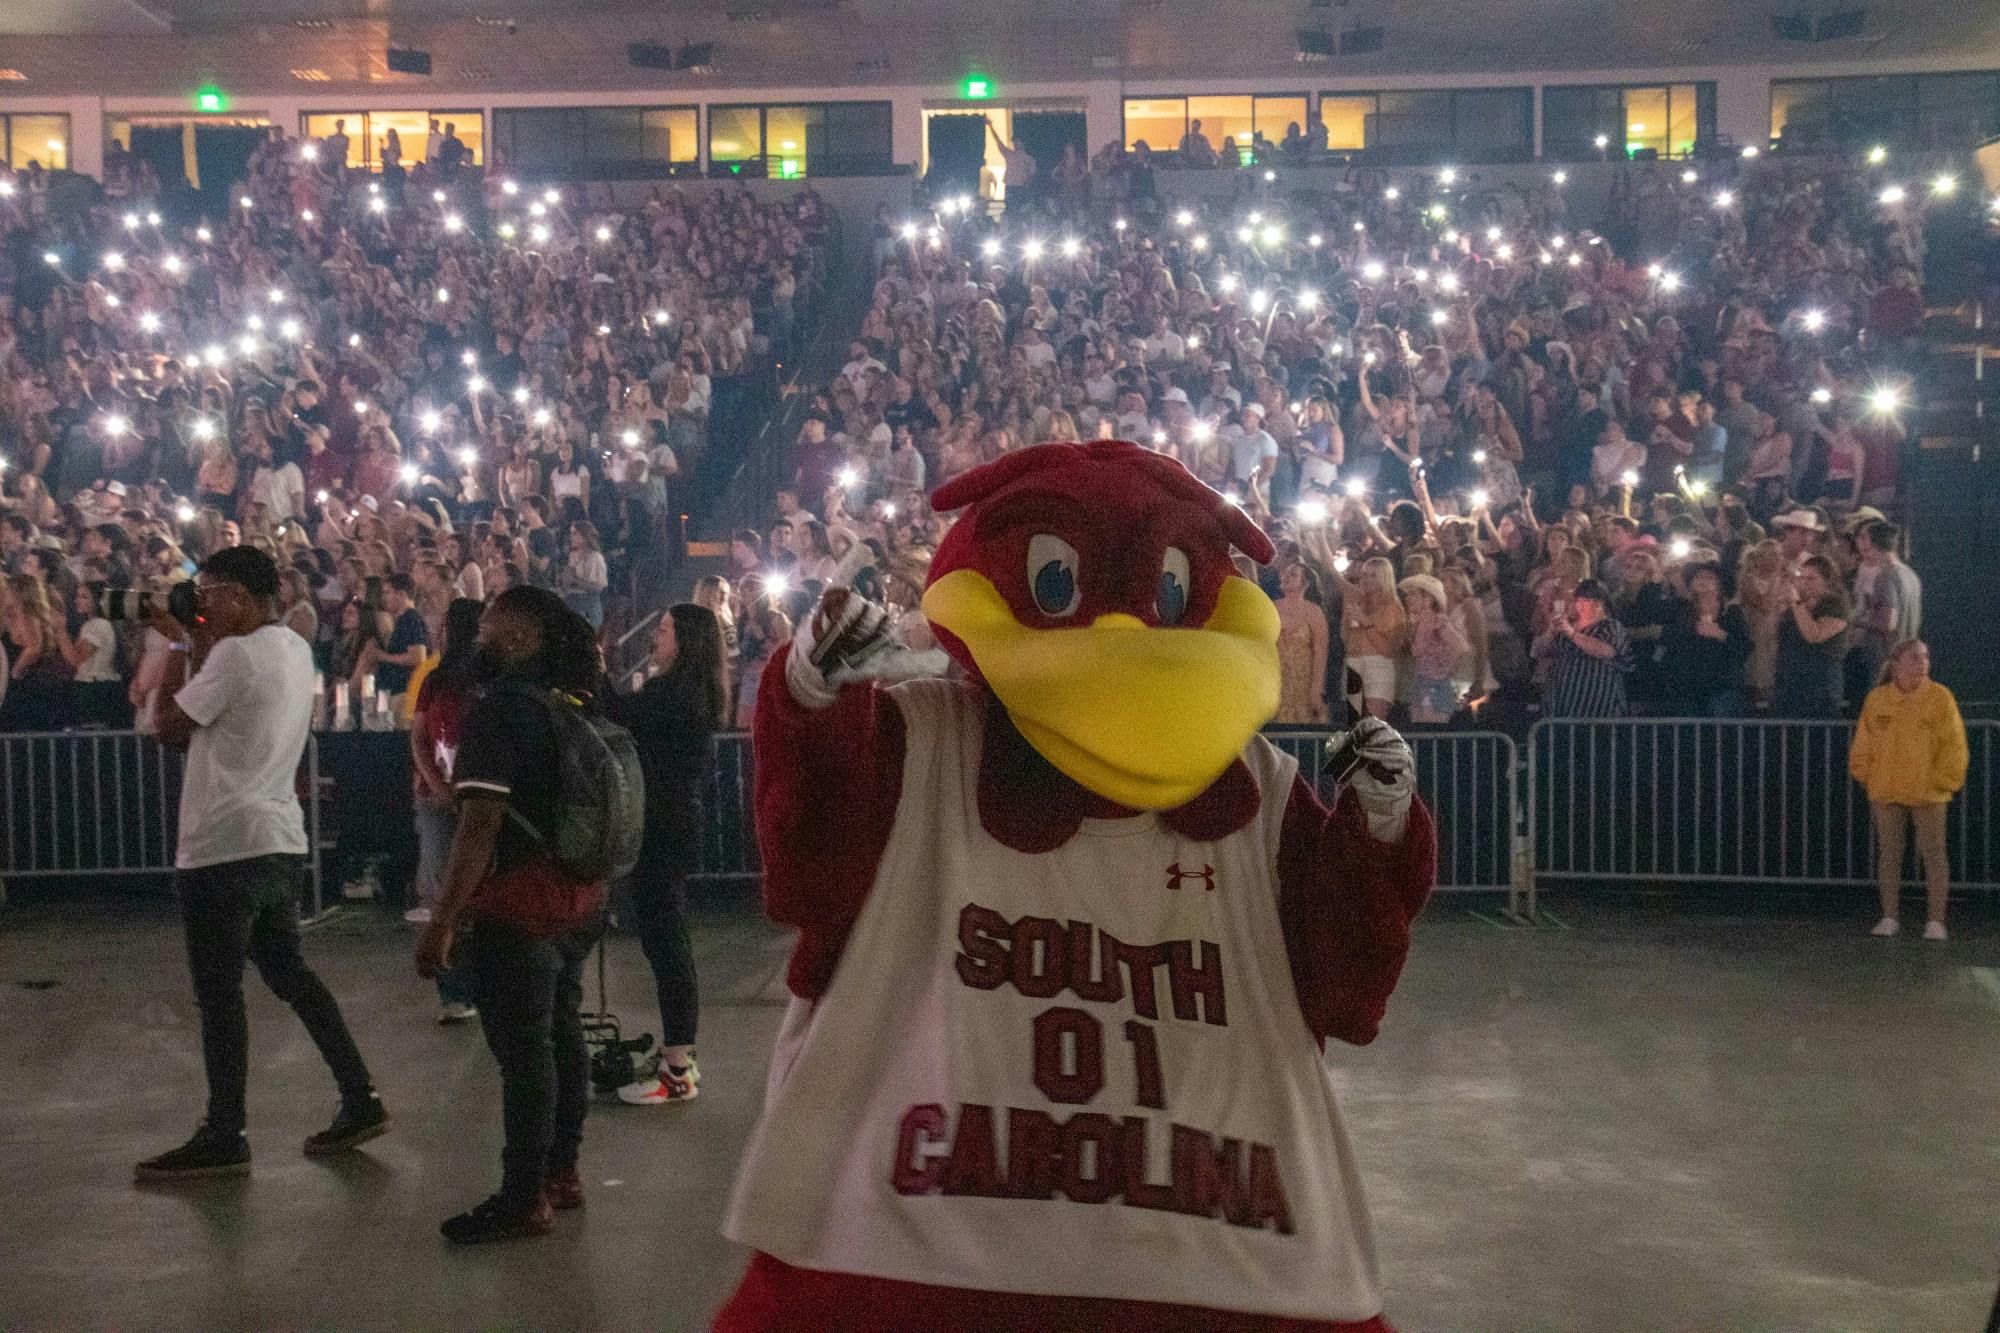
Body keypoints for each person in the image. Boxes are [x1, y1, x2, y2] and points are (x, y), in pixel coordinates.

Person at [135, 546, 385, 1180]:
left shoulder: (235, 653)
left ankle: (226, 1130)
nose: (201, 602)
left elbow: (166, 726)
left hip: (223, 845)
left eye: (210, 590)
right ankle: (359, 1096)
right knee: (290, 975)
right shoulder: (293, 647)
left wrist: (171, 647)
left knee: (218, 995)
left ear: (242, 598)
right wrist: (192, 641)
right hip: (277, 840)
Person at [416, 587, 610, 1244]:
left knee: (524, 1053)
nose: (480, 636)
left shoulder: (500, 711)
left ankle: (522, 1195)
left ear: (523, 637)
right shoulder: (571, 703)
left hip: (519, 905)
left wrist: (442, 919)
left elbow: (479, 826)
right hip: (577, 899)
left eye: (492, 626)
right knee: (561, 1032)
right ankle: (562, 1172)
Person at [612, 603, 728, 1105]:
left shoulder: (674, 694)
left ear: (686, 640)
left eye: (663, 630)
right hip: (673, 821)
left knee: (666, 938)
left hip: (664, 824)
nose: (655, 637)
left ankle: (677, 1066)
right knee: (664, 935)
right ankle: (677, 1057)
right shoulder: (693, 692)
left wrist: (591, 672)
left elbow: (620, 713)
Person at [1850, 640, 1967, 941]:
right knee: (1889, 855)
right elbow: (1863, 741)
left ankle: (1936, 920)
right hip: (1886, 790)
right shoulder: (1877, 699)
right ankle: (1889, 916)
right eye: (1915, 657)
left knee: (1934, 855)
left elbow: (1954, 745)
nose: (1922, 662)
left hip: (1928, 792)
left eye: (1926, 657)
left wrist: (1943, 781)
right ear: (1895, 662)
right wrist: (1866, 774)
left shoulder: (1941, 698)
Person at [408, 597, 485, 1023]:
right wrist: (437, 785)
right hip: (439, 796)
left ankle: (482, 981)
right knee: (444, 889)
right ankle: (455, 988)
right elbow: (418, 736)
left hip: (478, 796)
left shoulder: (489, 680)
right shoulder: (435, 681)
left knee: (478, 887)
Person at [1533, 577, 1629, 717]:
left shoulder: (1611, 626)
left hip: (1599, 708)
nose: (1582, 604)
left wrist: (1572, 634)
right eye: (1579, 600)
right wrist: (1551, 631)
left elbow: (1606, 651)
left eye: (1589, 600)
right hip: (1563, 706)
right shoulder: (1567, 626)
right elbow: (1539, 651)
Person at [1771, 555, 1850, 718]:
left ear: (1827, 581)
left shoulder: (1836, 605)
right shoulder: (1799, 605)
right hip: (1789, 684)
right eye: (1802, 577)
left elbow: (1814, 635)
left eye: (1811, 578)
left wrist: (1796, 603)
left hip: (1819, 688)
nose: (1804, 583)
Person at [1272, 561, 1329, 723]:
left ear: (1305, 584)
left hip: (1303, 679)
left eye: (1293, 574)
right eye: (1285, 573)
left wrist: (1317, 687)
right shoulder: (1271, 607)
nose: (1286, 577)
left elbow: (1320, 652)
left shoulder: (1314, 612)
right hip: (1277, 676)